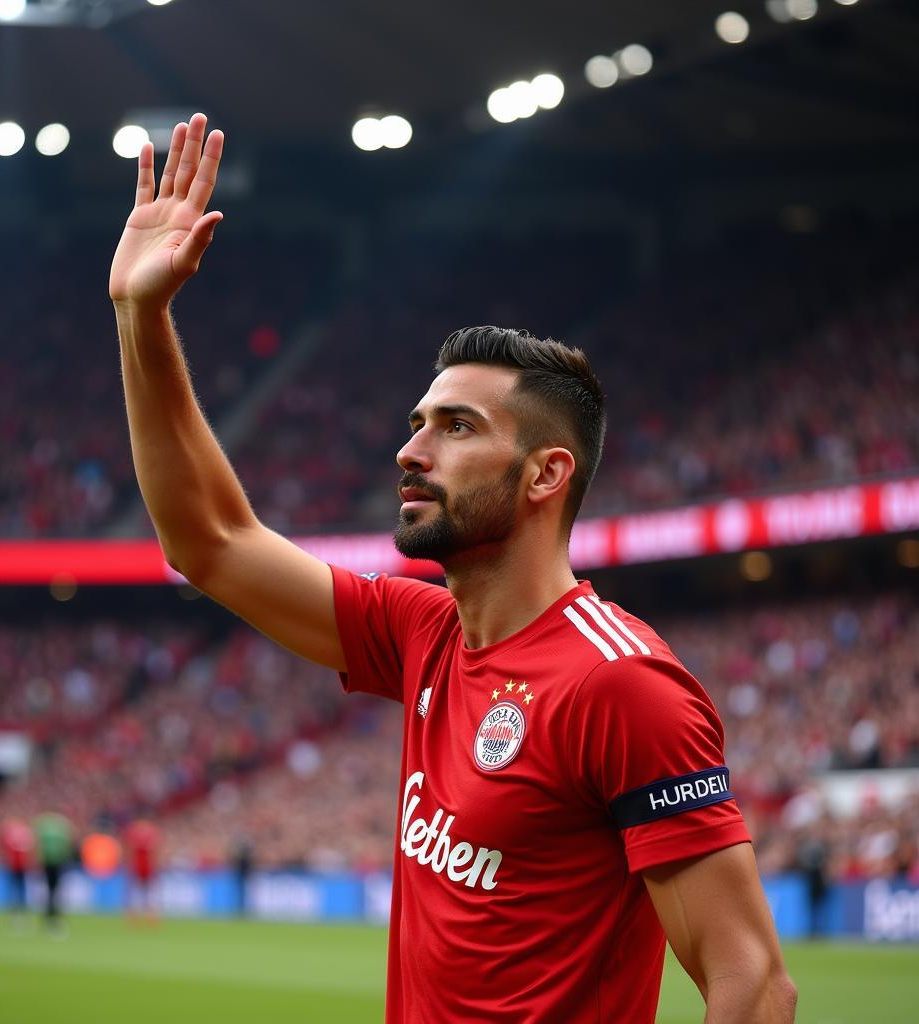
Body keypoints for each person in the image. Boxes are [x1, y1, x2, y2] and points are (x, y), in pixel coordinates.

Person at [110, 113, 797, 1023]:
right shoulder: (423, 633)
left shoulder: (620, 685)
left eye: (457, 427)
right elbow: (209, 543)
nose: (412, 450)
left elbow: (751, 983)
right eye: (416, 424)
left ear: (547, 474)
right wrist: (141, 314)